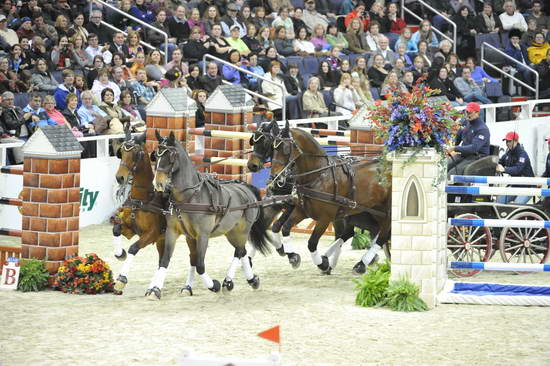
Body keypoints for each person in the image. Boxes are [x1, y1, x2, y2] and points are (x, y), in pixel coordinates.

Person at [446, 102, 490, 175]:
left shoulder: (482, 129)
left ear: (477, 113)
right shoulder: (467, 122)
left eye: (470, 112)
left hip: (477, 157)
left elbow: (474, 148)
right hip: (465, 154)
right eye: (466, 111)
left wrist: (454, 148)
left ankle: (453, 184)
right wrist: (452, 144)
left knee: (452, 174)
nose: (467, 114)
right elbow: (460, 136)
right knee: (444, 167)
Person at [495, 131, 535, 204]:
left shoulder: (522, 154)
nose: (507, 143)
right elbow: (500, 161)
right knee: (499, 201)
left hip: (527, 187)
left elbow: (518, 169)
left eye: (509, 141)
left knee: (516, 206)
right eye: (506, 141)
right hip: (514, 185)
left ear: (516, 141)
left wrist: (504, 169)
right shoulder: (508, 153)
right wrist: (495, 164)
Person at [0, 91, 27, 164]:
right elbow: (12, 124)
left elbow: (23, 116)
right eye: (8, 100)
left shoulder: (16, 108)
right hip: (5, 135)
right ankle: (20, 163)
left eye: (12, 99)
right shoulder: (3, 110)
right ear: (2, 101)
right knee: (19, 142)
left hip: (15, 133)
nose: (10, 101)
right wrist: (24, 119)